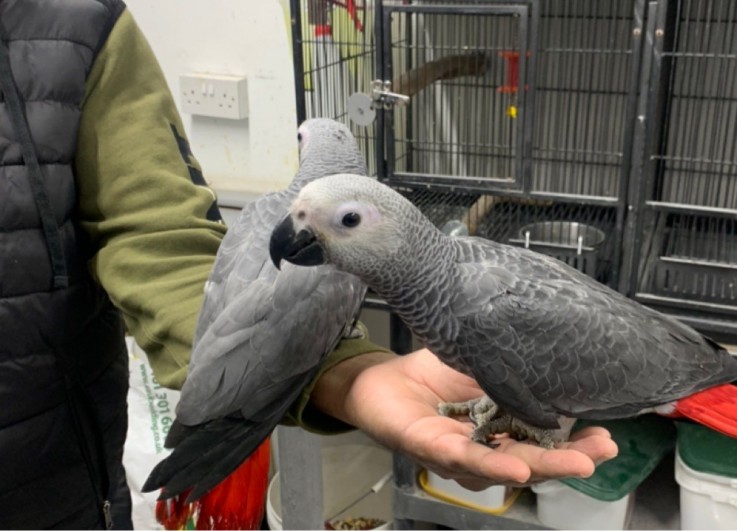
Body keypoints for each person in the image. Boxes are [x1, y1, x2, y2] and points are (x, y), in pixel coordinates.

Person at [0, 1, 616, 528]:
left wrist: (348, 372)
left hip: (61, 464)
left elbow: (154, 234)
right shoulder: (304, 233)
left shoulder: (78, 20)